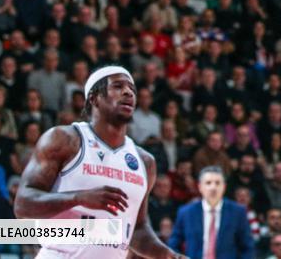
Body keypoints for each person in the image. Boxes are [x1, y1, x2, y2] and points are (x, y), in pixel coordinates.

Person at [14, 66, 183, 259]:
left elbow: (136, 230)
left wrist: (169, 256)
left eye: (132, 89)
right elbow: (23, 205)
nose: (128, 92)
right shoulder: (65, 140)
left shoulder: (145, 162)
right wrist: (78, 198)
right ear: (94, 98)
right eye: (118, 86)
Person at [168, 166, 254, 259]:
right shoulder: (186, 212)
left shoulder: (238, 212)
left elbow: (247, 247)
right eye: (208, 183)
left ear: (224, 186)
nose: (213, 187)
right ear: (200, 186)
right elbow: (173, 244)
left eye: (217, 183)